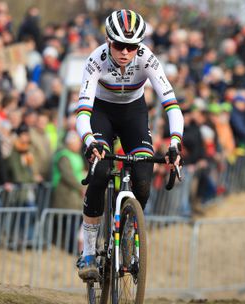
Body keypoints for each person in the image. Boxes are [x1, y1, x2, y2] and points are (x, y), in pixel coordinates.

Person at [75, 9, 184, 280]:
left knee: (144, 179)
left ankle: (129, 230)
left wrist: (175, 143)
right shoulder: (95, 60)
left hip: (134, 114)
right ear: (108, 41)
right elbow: (83, 112)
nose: (125, 52)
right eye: (119, 45)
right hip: (101, 113)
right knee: (100, 172)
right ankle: (88, 252)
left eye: (132, 46)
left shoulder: (148, 59)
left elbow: (172, 106)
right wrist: (90, 142)